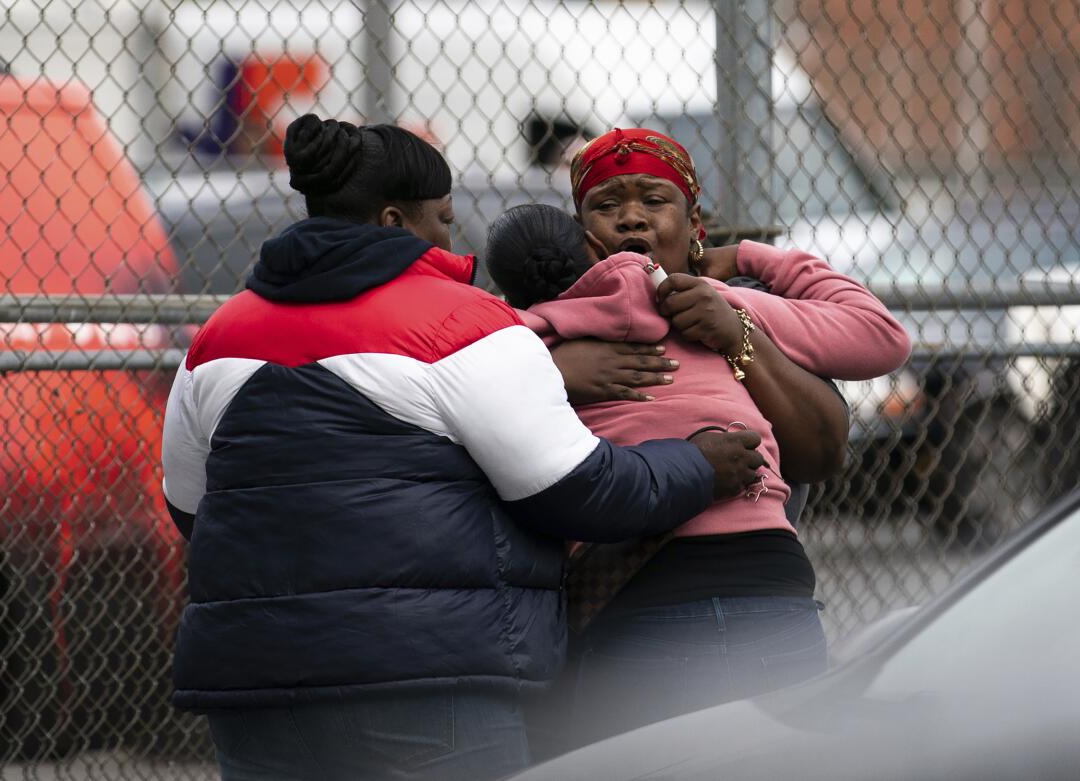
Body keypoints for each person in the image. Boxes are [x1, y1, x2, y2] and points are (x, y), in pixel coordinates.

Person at [160, 114, 770, 781]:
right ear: (396, 221)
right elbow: (582, 491)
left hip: (252, 694)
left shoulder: (217, 337)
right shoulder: (464, 324)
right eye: (445, 218)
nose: (454, 236)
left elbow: (192, 509)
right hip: (424, 681)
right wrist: (699, 463)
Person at [484, 129, 911, 743]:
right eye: (606, 206)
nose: (631, 215)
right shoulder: (550, 331)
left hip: (761, 588)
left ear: (694, 222)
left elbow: (879, 337)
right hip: (642, 599)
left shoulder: (723, 305)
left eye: (654, 200)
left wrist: (743, 276)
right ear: (582, 237)